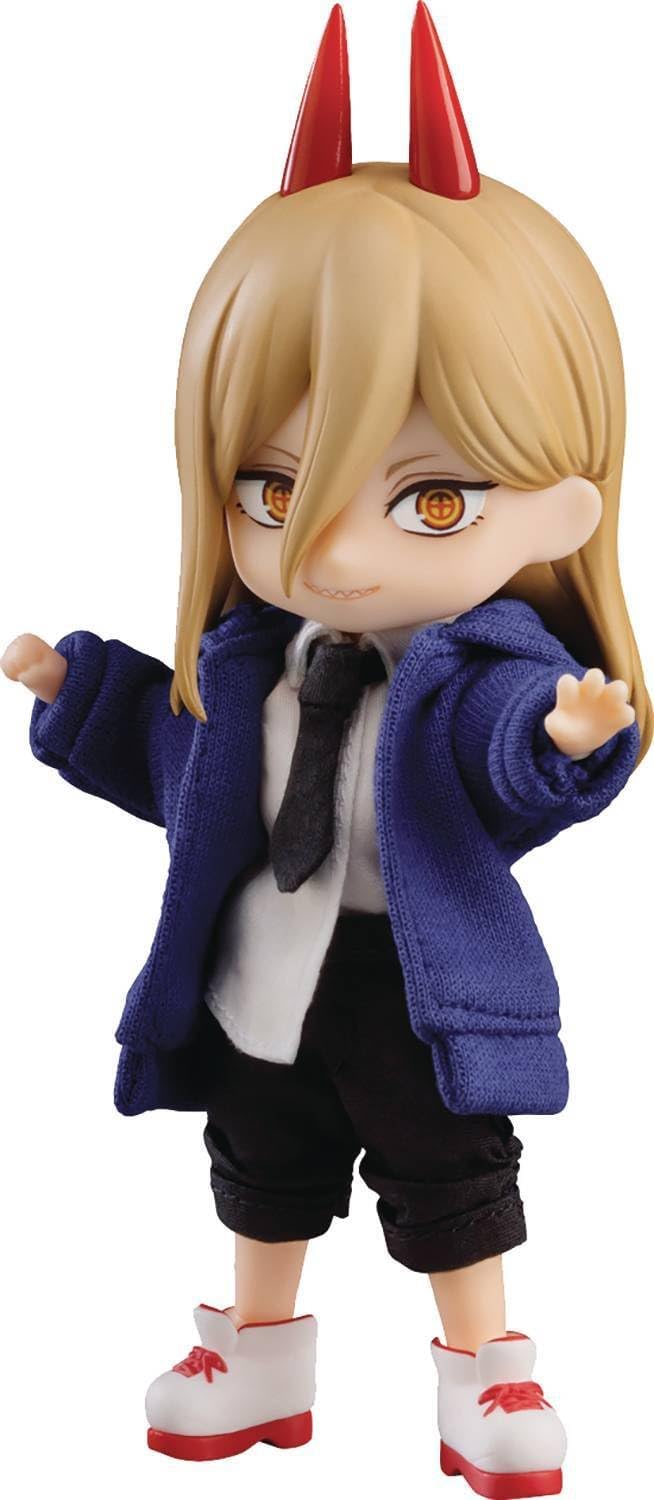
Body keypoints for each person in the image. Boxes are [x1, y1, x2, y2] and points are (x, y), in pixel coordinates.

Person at [3, 7, 649, 1496]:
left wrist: (562, 736)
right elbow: (188, 773)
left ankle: (487, 1373)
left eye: (430, 500)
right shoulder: (253, 659)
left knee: (451, 1183)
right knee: (261, 1164)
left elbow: (496, 759)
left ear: (564, 507)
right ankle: (255, 1351)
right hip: (264, 963)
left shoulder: (474, 674)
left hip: (417, 981)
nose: (330, 552)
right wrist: (81, 695)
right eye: (274, 489)